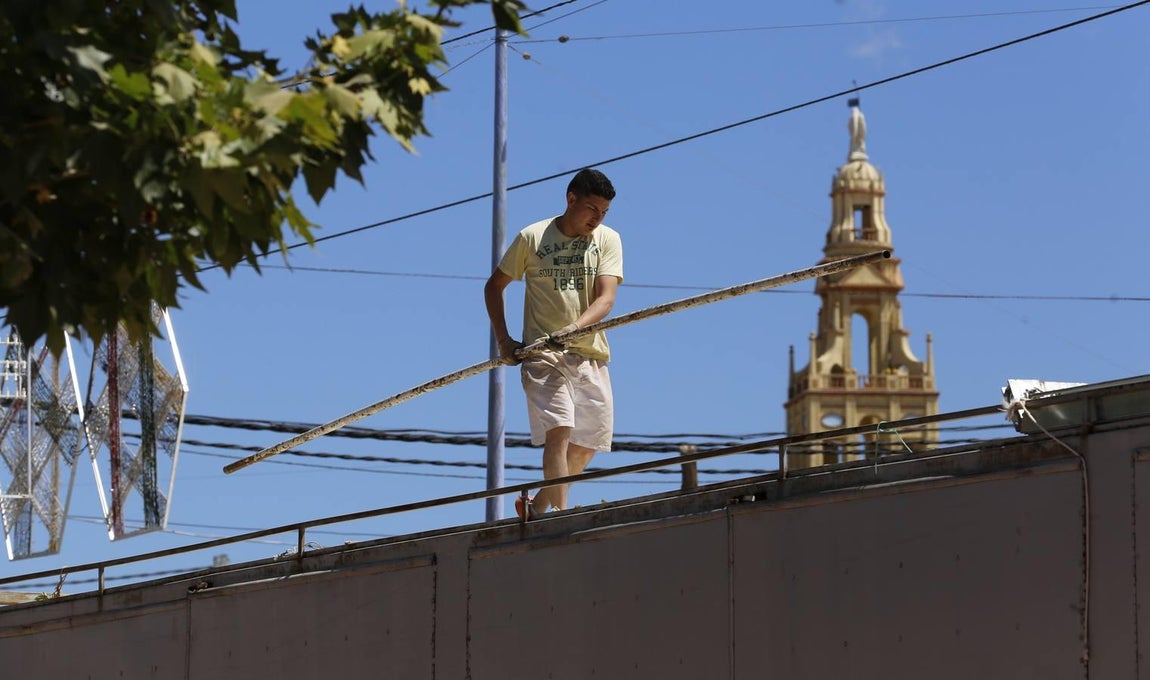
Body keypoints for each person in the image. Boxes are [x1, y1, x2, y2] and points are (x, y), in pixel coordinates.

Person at [484, 168, 623, 518]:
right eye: (592, 208)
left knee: (589, 444)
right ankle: (560, 516)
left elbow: (606, 299)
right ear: (571, 199)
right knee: (559, 432)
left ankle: (538, 507)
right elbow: (494, 286)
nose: (597, 218)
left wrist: (574, 328)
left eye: (604, 212)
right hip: (543, 354)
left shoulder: (607, 239)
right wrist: (504, 340)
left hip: (589, 352)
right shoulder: (533, 237)